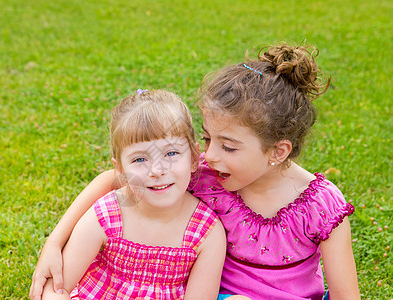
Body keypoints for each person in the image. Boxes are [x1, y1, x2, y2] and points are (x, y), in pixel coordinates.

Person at [31, 44, 360, 300]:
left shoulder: (320, 206)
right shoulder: (206, 176)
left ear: (278, 151)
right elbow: (111, 180)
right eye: (206, 138)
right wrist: (55, 241)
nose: (209, 154)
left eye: (228, 146)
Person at [38, 89, 228, 299]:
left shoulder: (206, 231)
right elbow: (56, 289)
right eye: (139, 160)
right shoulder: (107, 215)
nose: (157, 170)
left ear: (193, 158)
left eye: (171, 153)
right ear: (120, 170)